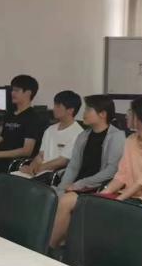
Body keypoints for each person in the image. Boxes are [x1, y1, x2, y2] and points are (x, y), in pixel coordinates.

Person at [49, 95, 126, 248]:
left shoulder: (116, 136)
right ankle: (60, 240)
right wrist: (62, 187)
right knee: (50, 195)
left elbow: (111, 170)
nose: (83, 113)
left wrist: (80, 184)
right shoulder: (83, 135)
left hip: (95, 187)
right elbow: (73, 166)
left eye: (88, 110)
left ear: (102, 114)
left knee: (65, 201)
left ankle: (48, 246)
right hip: (76, 186)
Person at [19, 90, 83, 181]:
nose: (54, 109)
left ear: (70, 110)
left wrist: (37, 169)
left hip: (55, 176)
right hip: (39, 172)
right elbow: (41, 155)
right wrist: (31, 167)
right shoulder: (50, 129)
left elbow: (63, 161)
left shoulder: (78, 133)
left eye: (58, 106)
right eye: (54, 105)